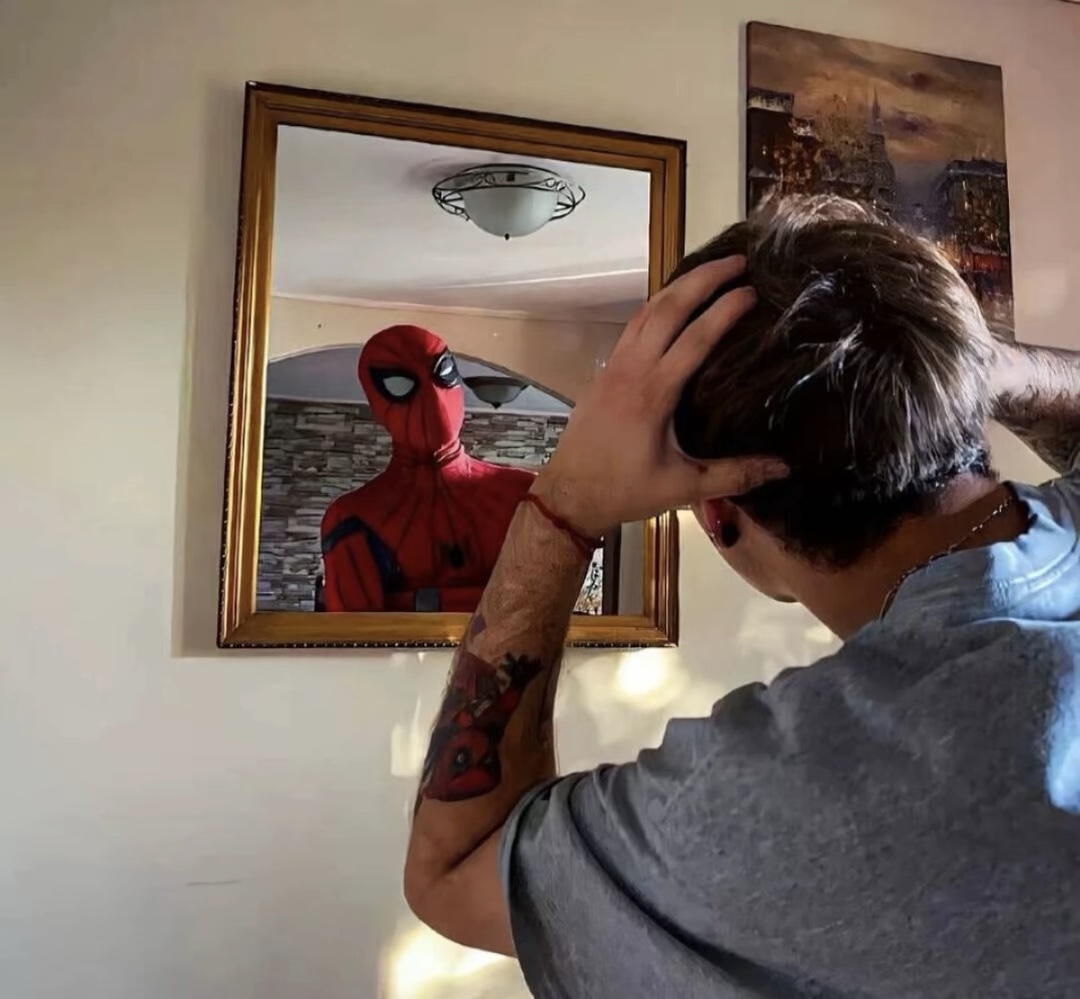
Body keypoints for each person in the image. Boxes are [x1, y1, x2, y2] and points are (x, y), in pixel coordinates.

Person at [403, 196, 1080, 998]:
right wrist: (963, 363)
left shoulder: (795, 793)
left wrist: (565, 504)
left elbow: (451, 870)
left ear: (719, 516)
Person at [320, 324, 533, 613]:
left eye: (443, 374)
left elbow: (549, 605)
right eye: (400, 385)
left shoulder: (525, 493)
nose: (433, 397)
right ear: (377, 405)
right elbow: (357, 634)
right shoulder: (350, 517)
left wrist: (415, 602)